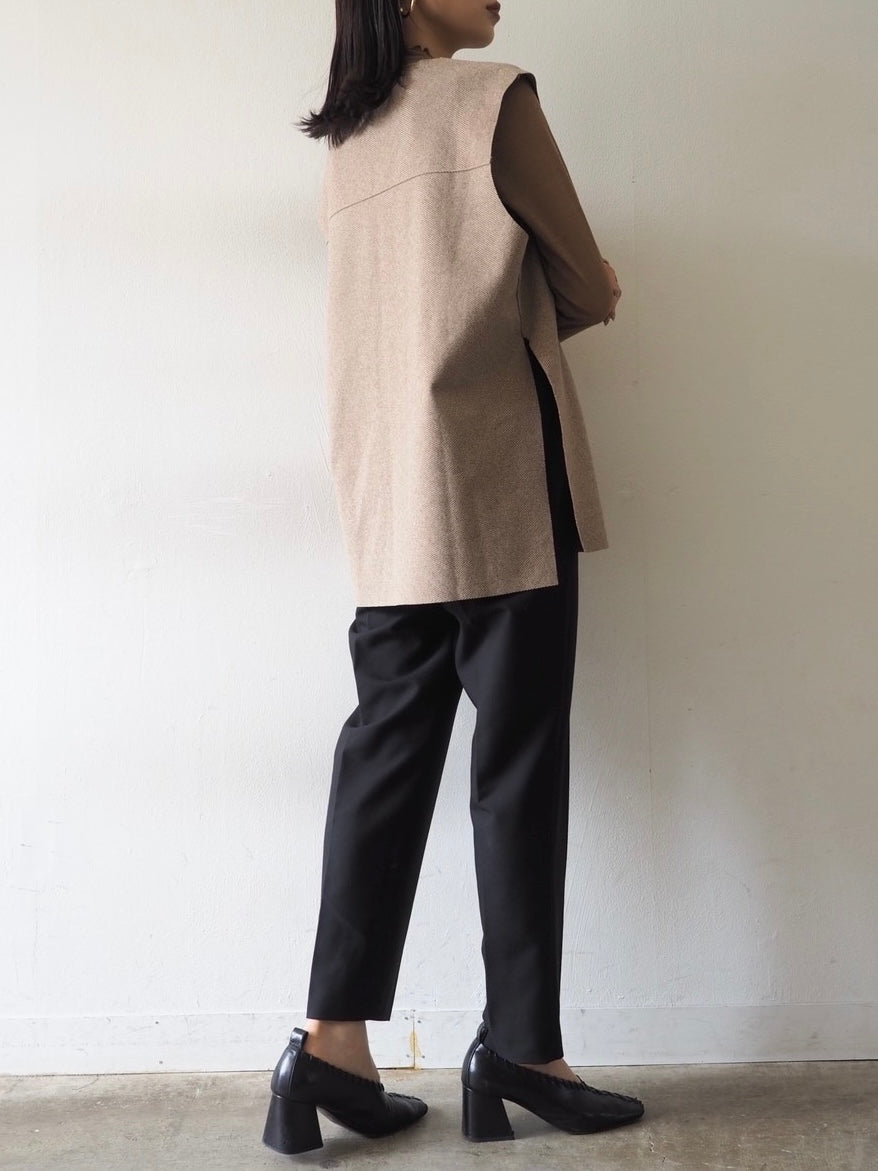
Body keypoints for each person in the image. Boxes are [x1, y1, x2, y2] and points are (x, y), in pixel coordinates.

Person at [262, 0, 642, 1155]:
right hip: (495, 477)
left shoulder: (347, 142)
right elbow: (588, 287)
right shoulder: (490, 101)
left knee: (382, 752)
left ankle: (327, 1042)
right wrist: (550, 296)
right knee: (515, 761)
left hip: (390, 495)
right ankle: (522, 1048)